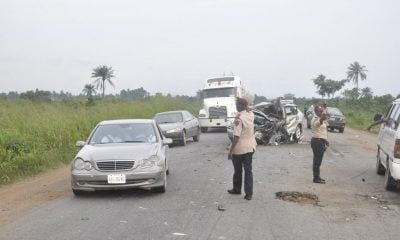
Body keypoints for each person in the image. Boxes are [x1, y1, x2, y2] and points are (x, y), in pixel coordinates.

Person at [228, 97, 257, 200]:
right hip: (250, 147)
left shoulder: (239, 119)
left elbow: (236, 137)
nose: (236, 106)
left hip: (240, 148)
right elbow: (249, 109)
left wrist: (230, 151)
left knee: (238, 170)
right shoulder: (250, 114)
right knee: (248, 171)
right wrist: (247, 107)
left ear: (241, 106)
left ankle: (237, 189)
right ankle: (249, 194)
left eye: (237, 104)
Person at [310, 104, 329, 184]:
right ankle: (316, 178)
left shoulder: (322, 119)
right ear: (315, 111)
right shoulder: (315, 119)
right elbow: (318, 123)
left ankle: (317, 177)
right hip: (317, 142)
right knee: (317, 161)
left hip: (320, 141)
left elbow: (322, 130)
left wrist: (326, 140)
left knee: (318, 160)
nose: (320, 112)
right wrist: (321, 118)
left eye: (321, 111)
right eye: (319, 111)